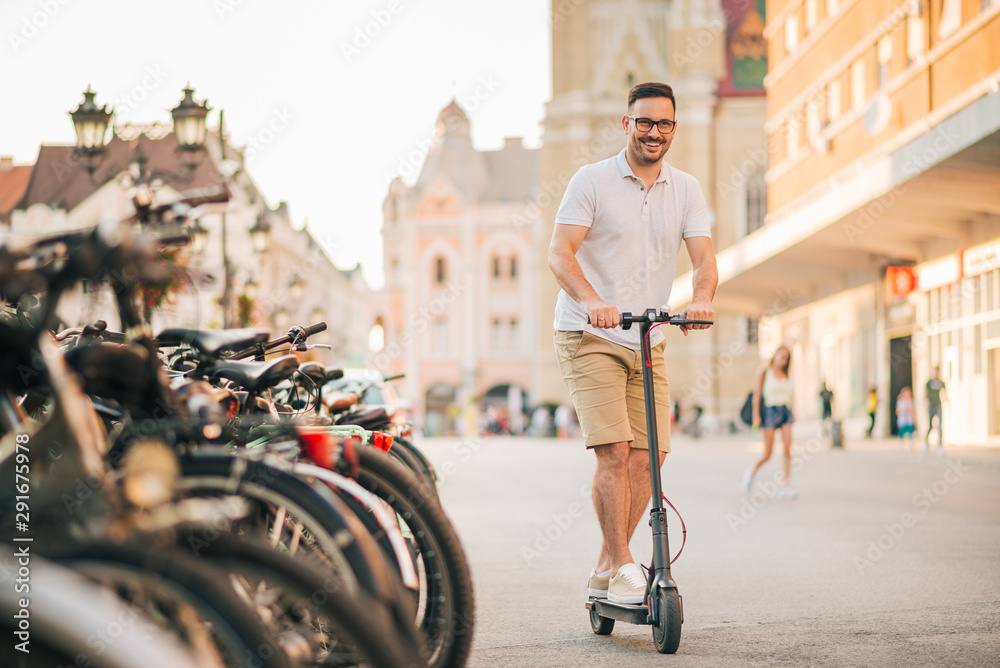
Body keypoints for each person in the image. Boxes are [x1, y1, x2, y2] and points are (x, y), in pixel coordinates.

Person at [549, 82, 717, 605]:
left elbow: (704, 260)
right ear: (627, 124)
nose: (654, 132)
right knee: (615, 453)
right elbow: (560, 253)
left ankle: (606, 564)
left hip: (649, 336)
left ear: (673, 129)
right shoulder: (592, 180)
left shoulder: (685, 188)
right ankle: (623, 563)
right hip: (591, 331)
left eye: (664, 124)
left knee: (649, 456)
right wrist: (593, 298)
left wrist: (702, 299)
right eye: (644, 122)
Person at [741, 345, 796, 499]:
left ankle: (786, 486)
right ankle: (750, 473)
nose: (783, 360)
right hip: (770, 411)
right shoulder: (764, 372)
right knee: (768, 454)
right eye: (781, 356)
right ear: (775, 355)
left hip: (785, 410)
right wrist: (756, 416)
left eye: (786, 358)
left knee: (787, 451)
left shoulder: (787, 374)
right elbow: (757, 395)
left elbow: (791, 394)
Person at [925, 366, 946, 454]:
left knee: (940, 426)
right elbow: (926, 393)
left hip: (938, 405)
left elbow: (944, 393)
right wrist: (927, 402)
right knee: (930, 426)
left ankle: (940, 446)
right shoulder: (929, 382)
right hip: (931, 406)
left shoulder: (941, 383)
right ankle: (926, 443)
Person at [896, 385, 915, 450]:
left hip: (909, 420)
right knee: (901, 433)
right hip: (902, 420)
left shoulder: (911, 402)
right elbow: (898, 412)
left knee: (910, 433)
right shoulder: (900, 402)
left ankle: (911, 445)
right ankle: (901, 444)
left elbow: (912, 411)